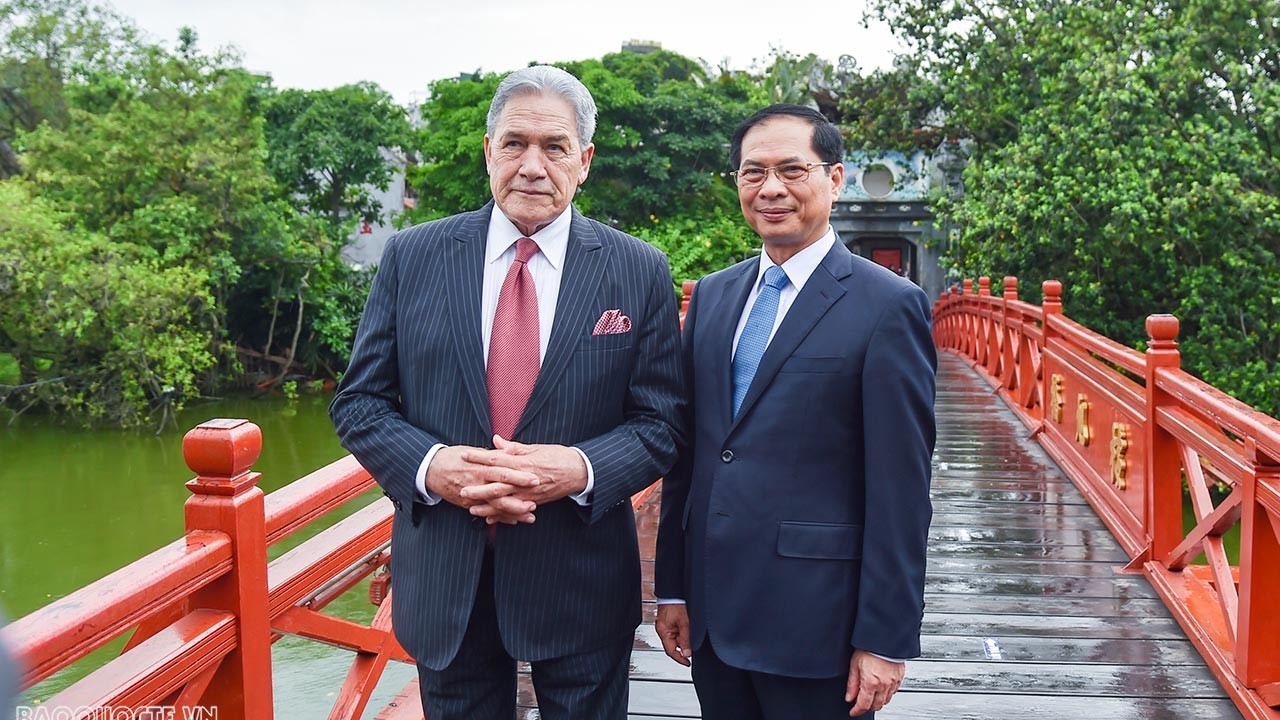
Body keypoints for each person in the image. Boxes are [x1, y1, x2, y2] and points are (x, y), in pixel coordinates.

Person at [330, 65, 683, 720]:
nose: (531, 165)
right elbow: (359, 402)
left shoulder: (637, 269)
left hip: (580, 573)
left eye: (554, 147)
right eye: (514, 144)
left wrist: (576, 469)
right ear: (488, 152)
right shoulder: (415, 256)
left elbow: (661, 423)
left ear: (585, 161)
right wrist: (436, 467)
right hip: (445, 573)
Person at [654, 104, 936, 719]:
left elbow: (902, 490)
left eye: (792, 169)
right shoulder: (713, 296)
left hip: (818, 621)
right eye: (752, 172)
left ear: (834, 179)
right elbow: (690, 457)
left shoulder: (888, 307)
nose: (771, 189)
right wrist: (672, 586)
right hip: (713, 614)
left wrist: (885, 638)